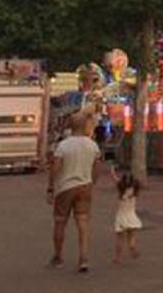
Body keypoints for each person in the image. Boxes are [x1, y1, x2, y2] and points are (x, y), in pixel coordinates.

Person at [47, 108, 103, 273]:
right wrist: (92, 182)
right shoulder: (92, 145)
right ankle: (83, 258)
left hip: (65, 187)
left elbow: (55, 168)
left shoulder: (63, 145)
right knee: (83, 222)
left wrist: (51, 187)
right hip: (85, 186)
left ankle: (58, 256)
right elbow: (98, 166)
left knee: (60, 222)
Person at [110, 167, 143, 264]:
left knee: (120, 239)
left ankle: (118, 258)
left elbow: (114, 177)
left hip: (122, 217)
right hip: (132, 216)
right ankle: (132, 247)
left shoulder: (121, 189)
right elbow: (138, 182)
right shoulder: (135, 190)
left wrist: (112, 170)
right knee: (131, 236)